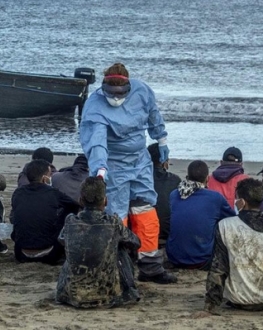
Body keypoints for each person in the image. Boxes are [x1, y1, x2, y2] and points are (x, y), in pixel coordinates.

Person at [79, 62, 176, 284]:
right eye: (111, 94)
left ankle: (150, 265)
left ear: (128, 86)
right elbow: (96, 141)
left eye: (120, 93)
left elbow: (153, 115)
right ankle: (117, 264)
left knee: (145, 210)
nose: (115, 98)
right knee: (116, 215)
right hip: (113, 164)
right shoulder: (95, 106)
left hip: (140, 161)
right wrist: (100, 169)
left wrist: (161, 139)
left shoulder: (142, 91)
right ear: (104, 89)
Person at [56, 177, 141, 308]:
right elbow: (135, 242)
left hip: (72, 295)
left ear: (80, 200)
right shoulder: (113, 222)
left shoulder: (70, 221)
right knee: (120, 249)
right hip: (108, 295)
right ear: (105, 201)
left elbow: (62, 240)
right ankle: (129, 289)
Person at [205, 178, 263, 313]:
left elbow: (218, 268)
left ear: (242, 202)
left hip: (237, 301)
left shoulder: (225, 226)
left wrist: (210, 305)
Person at [166, 160, 235, 269]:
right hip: (202, 260)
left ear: (187, 177)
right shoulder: (215, 197)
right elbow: (232, 220)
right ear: (207, 178)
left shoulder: (174, 194)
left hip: (174, 257)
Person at [11, 159, 79, 265]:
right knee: (68, 213)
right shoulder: (53, 193)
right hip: (50, 255)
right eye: (49, 174)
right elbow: (75, 206)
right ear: (44, 178)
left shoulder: (18, 193)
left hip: (20, 253)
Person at [147, 143, 181, 244]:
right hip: (168, 232)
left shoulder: (141, 181)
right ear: (164, 162)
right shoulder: (175, 180)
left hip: (145, 231)